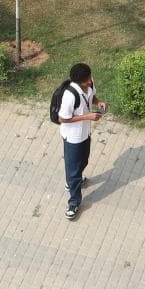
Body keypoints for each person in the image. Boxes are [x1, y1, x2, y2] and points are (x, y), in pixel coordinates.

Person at [55, 62, 104, 220]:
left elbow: (92, 96)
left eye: (90, 77)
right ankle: (74, 202)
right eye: (87, 80)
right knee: (74, 169)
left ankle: (73, 180)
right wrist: (87, 117)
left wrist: (98, 102)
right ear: (78, 81)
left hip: (85, 133)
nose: (90, 81)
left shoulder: (89, 83)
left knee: (84, 161)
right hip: (73, 138)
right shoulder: (70, 95)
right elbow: (63, 118)